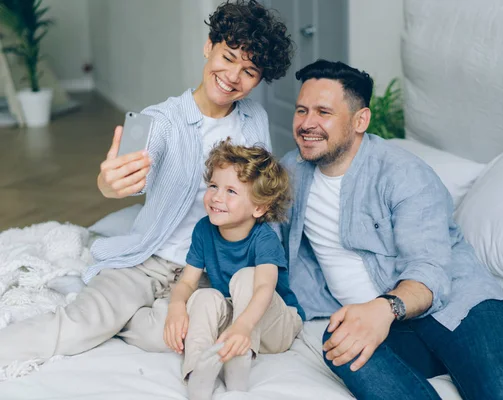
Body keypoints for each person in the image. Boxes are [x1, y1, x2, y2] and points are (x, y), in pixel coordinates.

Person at [0, 0, 293, 369]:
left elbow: (258, 194)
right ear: (209, 46)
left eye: (249, 70)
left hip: (209, 270)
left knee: (189, 338)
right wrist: (110, 181)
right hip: (149, 260)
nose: (234, 76)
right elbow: (121, 177)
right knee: (81, 326)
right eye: (228, 56)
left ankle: (128, 320)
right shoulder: (162, 120)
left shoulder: (255, 119)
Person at [279, 59, 503, 400]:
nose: (307, 123)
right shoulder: (289, 174)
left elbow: (429, 269)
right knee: (339, 345)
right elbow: (258, 240)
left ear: (361, 120)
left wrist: (382, 309)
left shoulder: (403, 173)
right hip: (386, 331)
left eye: (323, 112)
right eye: (302, 110)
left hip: (459, 307)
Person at [163, 140, 304, 399]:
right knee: (203, 296)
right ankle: (197, 372)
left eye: (231, 191)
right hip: (235, 319)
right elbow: (187, 282)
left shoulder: (264, 238)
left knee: (247, 277)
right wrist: (176, 307)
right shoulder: (204, 229)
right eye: (214, 186)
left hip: (274, 325)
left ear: (259, 207)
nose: (217, 197)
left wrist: (243, 328)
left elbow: (264, 288)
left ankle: (239, 362)